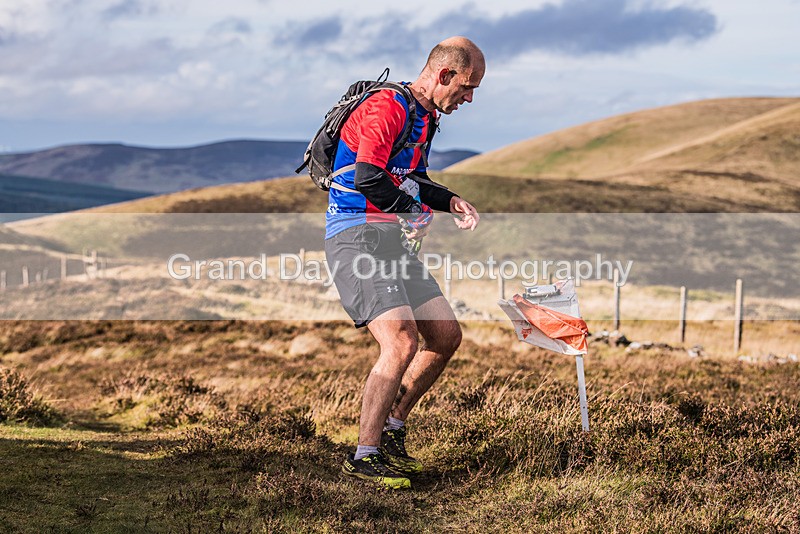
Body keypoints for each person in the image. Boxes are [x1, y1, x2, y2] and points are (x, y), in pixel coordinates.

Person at [324, 36, 485, 489]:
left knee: (445, 335)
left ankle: (392, 428)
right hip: (355, 237)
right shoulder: (386, 107)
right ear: (444, 75)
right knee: (400, 343)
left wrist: (449, 199)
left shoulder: (425, 116)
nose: (469, 98)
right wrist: (413, 211)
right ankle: (364, 456)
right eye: (468, 87)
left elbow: (411, 179)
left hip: (390, 241)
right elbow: (368, 175)